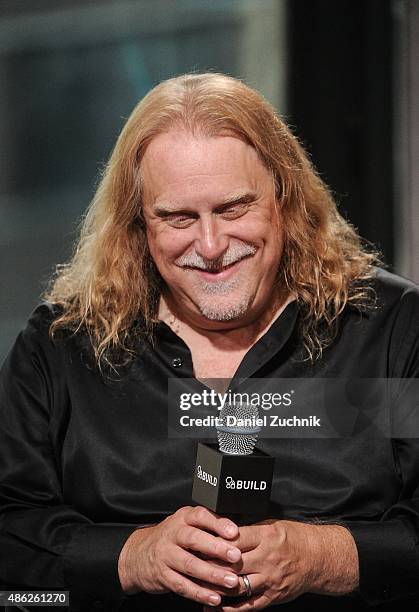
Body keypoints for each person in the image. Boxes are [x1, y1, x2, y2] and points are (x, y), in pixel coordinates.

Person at [0, 73, 418, 612]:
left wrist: (327, 556)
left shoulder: (389, 331)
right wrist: (129, 557)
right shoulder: (61, 349)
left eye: (233, 208)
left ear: (285, 200)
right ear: (138, 225)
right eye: (178, 217)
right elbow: (10, 545)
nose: (212, 245)